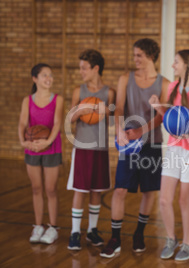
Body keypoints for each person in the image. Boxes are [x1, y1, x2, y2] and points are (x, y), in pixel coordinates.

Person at [100, 38, 170, 258]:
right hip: (129, 144)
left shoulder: (165, 83)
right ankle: (115, 237)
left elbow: (162, 116)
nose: (135, 59)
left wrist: (142, 130)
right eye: (135, 55)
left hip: (152, 144)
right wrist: (119, 129)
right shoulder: (125, 79)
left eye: (139, 55)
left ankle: (139, 233)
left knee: (149, 192)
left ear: (150, 56)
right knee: (120, 189)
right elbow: (119, 107)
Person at [150, 49, 189, 262]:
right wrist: (158, 107)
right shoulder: (172, 87)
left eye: (176, 61)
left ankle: (187, 244)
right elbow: (172, 119)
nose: (172, 65)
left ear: (186, 64)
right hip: (174, 149)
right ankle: (171, 239)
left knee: (183, 200)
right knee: (164, 200)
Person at [66, 49, 116, 250]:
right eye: (80, 68)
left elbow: (112, 121)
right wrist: (82, 111)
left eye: (84, 68)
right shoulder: (79, 91)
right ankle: (75, 232)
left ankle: (92, 230)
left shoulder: (109, 93)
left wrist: (106, 111)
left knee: (97, 190)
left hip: (101, 148)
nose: (81, 71)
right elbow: (70, 119)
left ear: (96, 68)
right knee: (80, 190)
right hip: (82, 147)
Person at [18, 63, 64, 244]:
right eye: (44, 75)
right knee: (36, 189)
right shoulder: (27, 100)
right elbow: (22, 124)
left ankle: (53, 228)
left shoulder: (57, 99)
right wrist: (24, 141)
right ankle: (38, 226)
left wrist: (47, 142)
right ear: (35, 79)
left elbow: (58, 123)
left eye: (50, 75)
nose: (49, 79)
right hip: (32, 148)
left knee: (51, 189)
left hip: (51, 148)